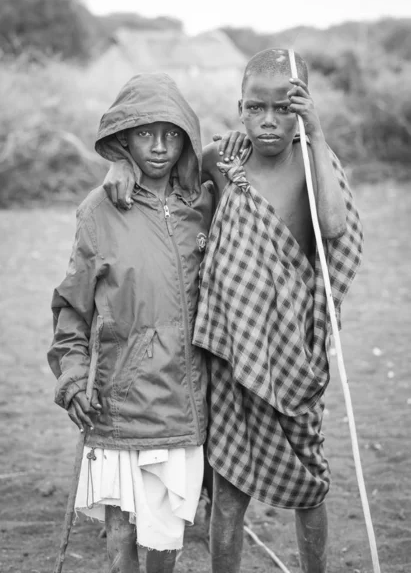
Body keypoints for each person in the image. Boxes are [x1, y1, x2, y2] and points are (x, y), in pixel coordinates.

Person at [103, 49, 363, 573]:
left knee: (310, 484)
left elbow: (333, 228)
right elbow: (164, 165)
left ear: (303, 109)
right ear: (240, 108)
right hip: (231, 355)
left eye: (285, 108)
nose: (270, 121)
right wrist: (118, 163)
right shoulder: (224, 163)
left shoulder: (314, 164)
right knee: (229, 490)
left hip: (293, 355)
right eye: (256, 107)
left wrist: (315, 134)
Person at [47, 72, 246, 573]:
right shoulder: (99, 210)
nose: (158, 147)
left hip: (184, 405)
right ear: (123, 139)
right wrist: (72, 376)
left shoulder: (203, 205)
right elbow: (73, 306)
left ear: (186, 139)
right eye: (143, 134)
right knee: (121, 541)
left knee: (164, 542)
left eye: (171, 134)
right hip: (114, 402)